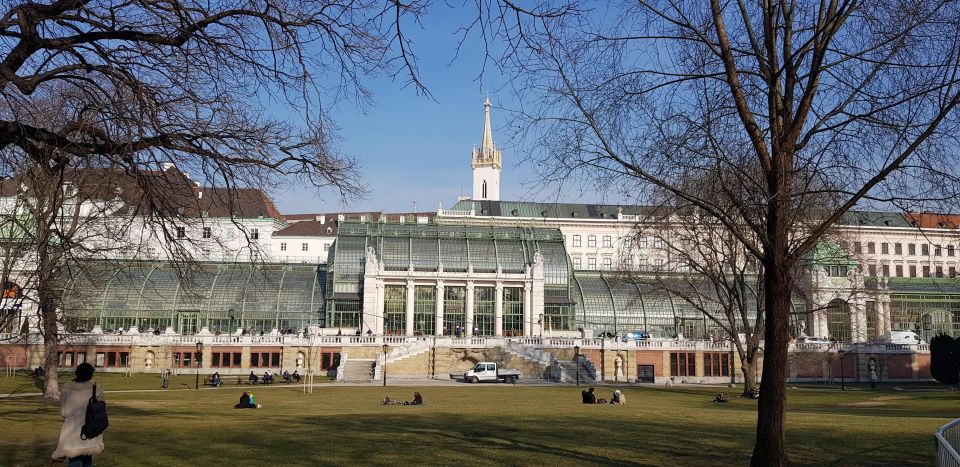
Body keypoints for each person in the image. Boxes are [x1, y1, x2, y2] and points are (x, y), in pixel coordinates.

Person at [52, 363, 104, 466]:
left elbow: (63, 412)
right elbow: (101, 408)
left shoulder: (67, 388)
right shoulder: (96, 387)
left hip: (72, 428)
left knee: (74, 459)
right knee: (87, 458)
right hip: (90, 427)